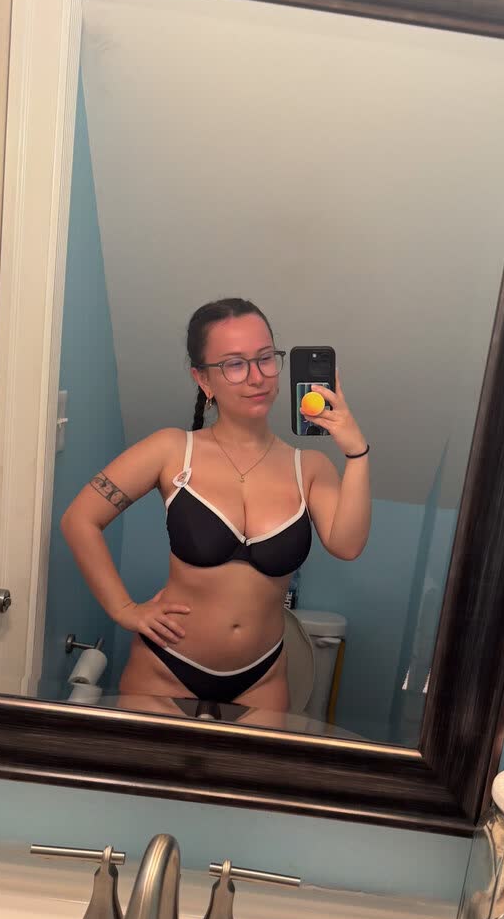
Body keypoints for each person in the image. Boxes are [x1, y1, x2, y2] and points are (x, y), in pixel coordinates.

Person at [61, 298, 371, 711]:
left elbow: (347, 545)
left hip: (262, 678)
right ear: (203, 379)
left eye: (265, 358)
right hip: (165, 669)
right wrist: (124, 609)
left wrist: (356, 453)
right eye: (234, 364)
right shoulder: (171, 450)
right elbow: (79, 519)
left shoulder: (310, 467)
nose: (256, 377)